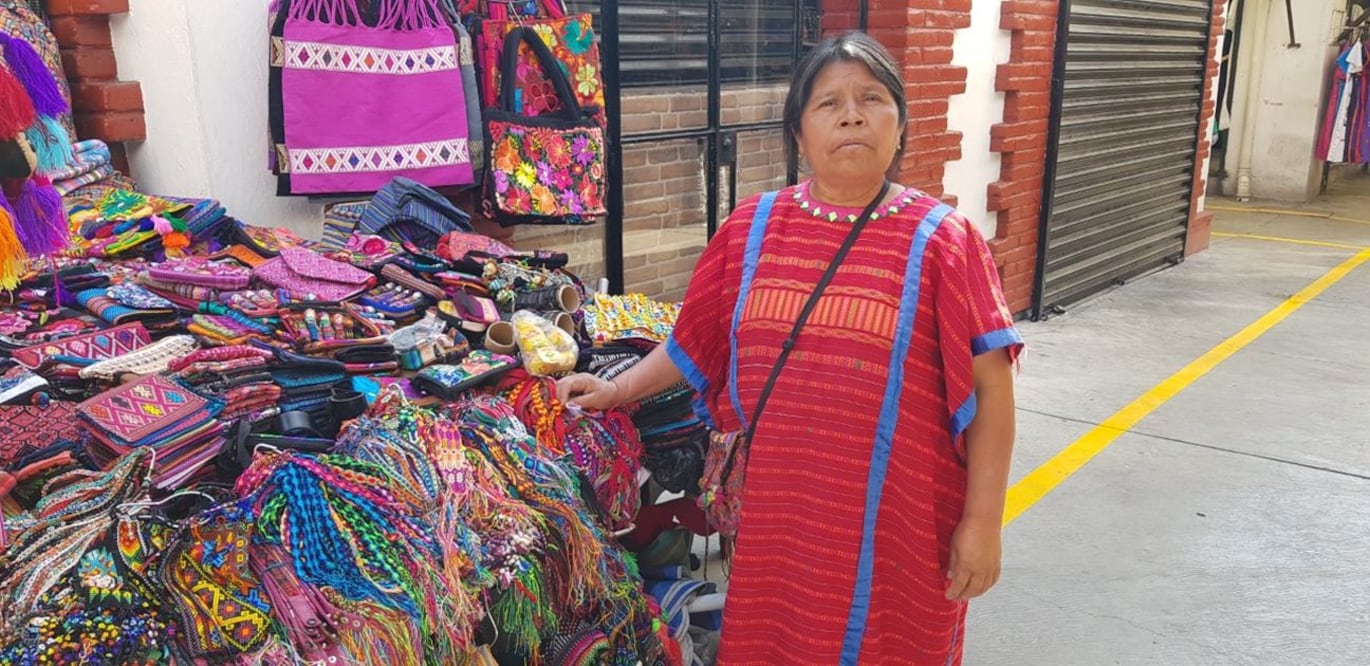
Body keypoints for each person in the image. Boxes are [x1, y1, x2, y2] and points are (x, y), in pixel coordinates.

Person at [557, 31, 1021, 666]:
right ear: (799, 134)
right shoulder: (751, 228)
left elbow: (992, 390)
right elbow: (694, 341)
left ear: (900, 124)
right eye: (828, 104)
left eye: (872, 99)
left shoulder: (945, 243)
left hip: (898, 527)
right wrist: (616, 389)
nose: (852, 114)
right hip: (778, 521)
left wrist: (983, 524)